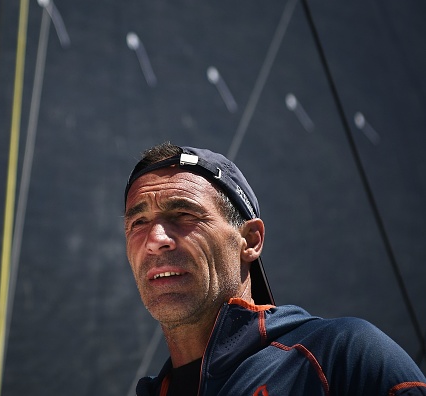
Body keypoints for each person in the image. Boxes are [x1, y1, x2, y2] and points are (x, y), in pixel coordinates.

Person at [123, 142, 426, 396]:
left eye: (184, 213)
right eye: (138, 222)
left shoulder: (343, 357)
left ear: (250, 240)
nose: (155, 240)